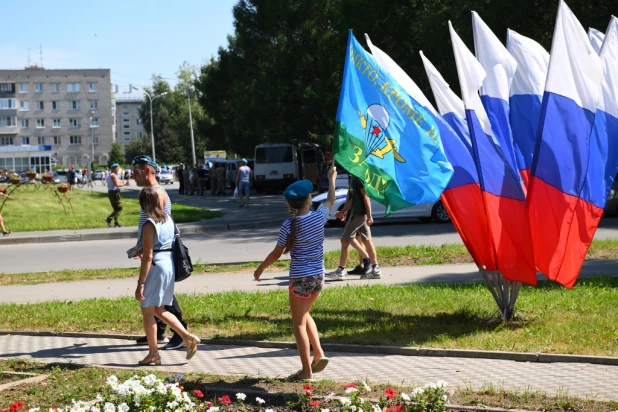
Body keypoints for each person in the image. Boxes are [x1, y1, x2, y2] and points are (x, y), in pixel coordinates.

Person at [254, 166, 337, 381]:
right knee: (304, 314)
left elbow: (276, 253)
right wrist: (331, 179)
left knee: (298, 322)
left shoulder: (288, 225)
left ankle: (306, 371)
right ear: (309, 199)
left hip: (300, 279)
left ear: (290, 204)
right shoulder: (319, 217)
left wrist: (261, 268)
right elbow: (330, 200)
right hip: (319, 277)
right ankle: (318, 354)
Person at [135, 187, 200, 366]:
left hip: (155, 266)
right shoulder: (168, 220)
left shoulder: (149, 224)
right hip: (168, 264)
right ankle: (187, 337)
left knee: (148, 310)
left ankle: (153, 353)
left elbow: (148, 257)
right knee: (159, 309)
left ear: (144, 204)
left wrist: (140, 284)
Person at [132, 155, 189, 350]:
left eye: (135, 172)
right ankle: (160, 332)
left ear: (146, 170)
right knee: (160, 299)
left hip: (158, 254)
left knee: (162, 299)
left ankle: (181, 333)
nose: (133, 177)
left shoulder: (155, 193)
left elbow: (156, 225)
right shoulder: (153, 192)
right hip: (154, 250)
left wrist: (148, 246)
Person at [326, 175, 380, 280]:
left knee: (345, 240)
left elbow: (366, 197)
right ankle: (375, 270)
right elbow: (353, 199)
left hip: (359, 214)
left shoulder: (358, 177)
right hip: (359, 214)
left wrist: (370, 216)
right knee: (367, 240)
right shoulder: (354, 177)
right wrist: (343, 211)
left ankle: (340, 271)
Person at [105, 164, 129, 228]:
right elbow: (117, 185)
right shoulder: (113, 175)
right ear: (114, 169)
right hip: (114, 192)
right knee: (119, 207)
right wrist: (125, 183)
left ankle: (116, 223)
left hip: (112, 192)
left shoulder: (111, 175)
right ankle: (109, 219)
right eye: (117, 168)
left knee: (116, 208)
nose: (118, 169)